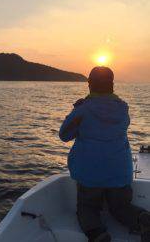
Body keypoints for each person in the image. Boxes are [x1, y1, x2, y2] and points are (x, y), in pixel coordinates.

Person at [59, 66, 150, 242]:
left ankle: (98, 234)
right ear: (112, 85)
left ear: (90, 85)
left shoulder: (83, 110)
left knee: (88, 208)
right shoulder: (123, 109)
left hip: (90, 175)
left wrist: (76, 110)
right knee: (120, 208)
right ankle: (142, 219)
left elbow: (64, 135)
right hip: (119, 174)